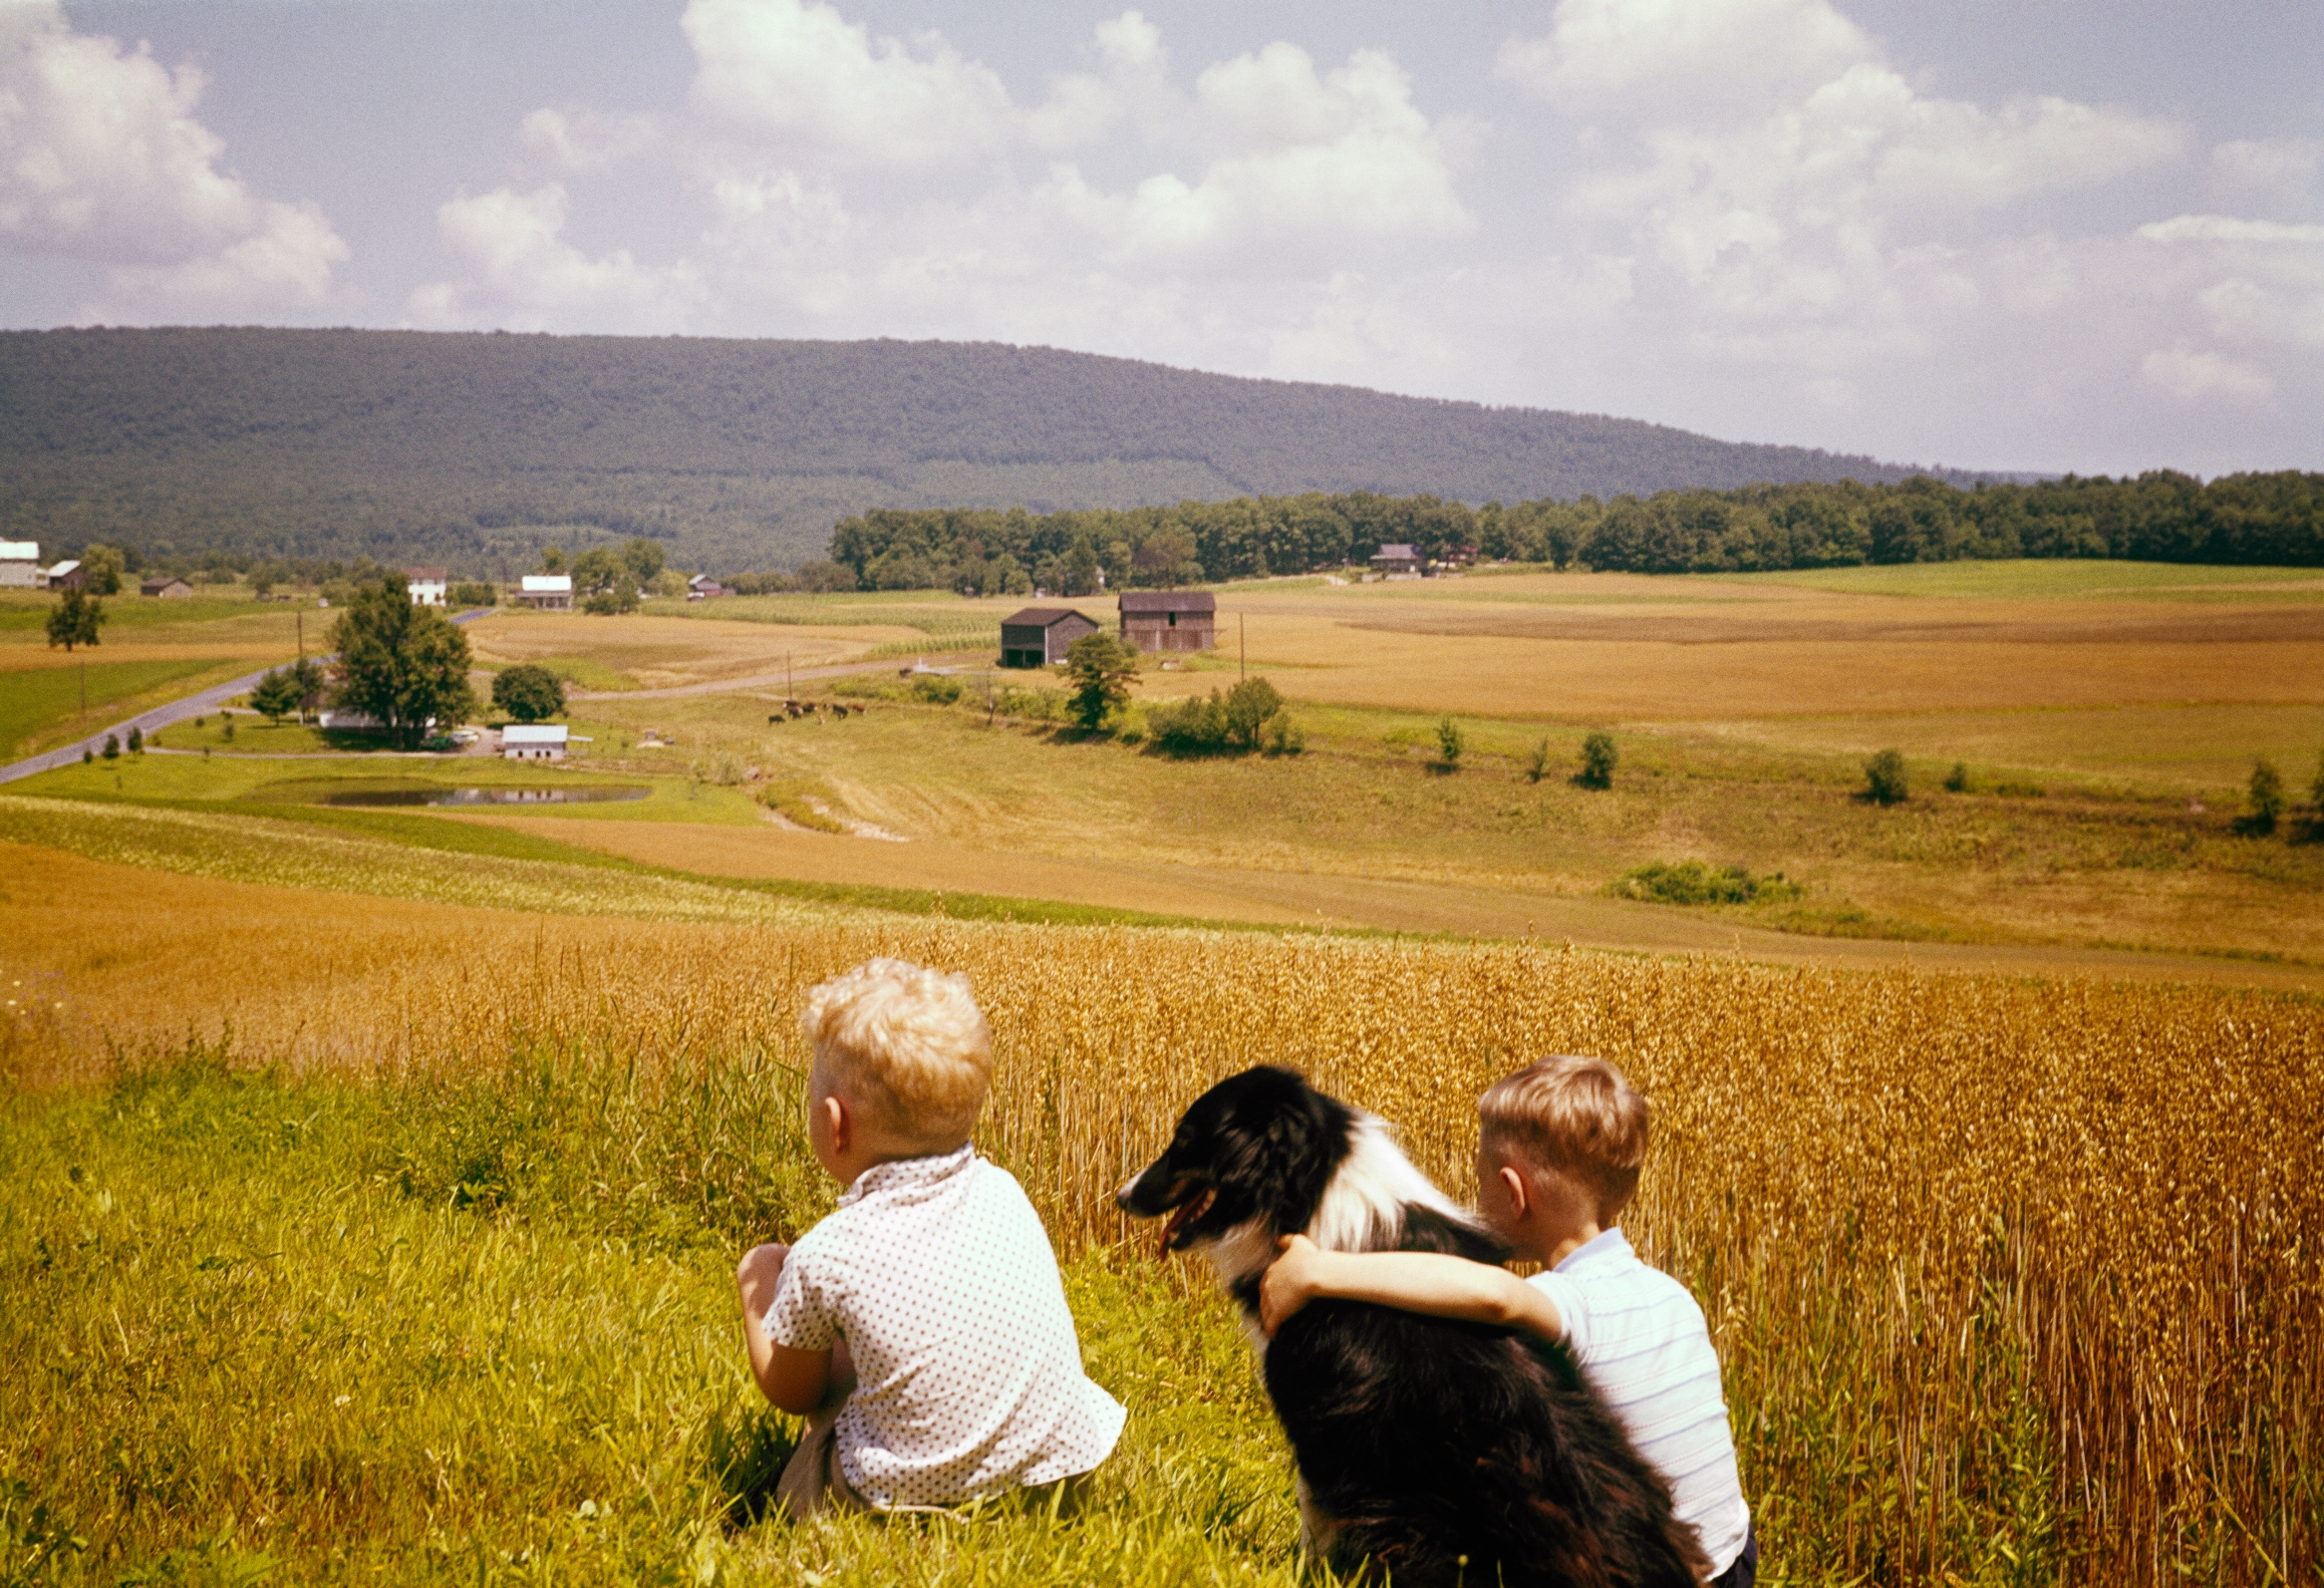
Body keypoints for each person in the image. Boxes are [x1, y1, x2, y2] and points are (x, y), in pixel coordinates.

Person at [1261, 1056, 1757, 1586]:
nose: (1474, 1203)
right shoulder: (1672, 1294)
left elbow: (1498, 1297)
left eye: (1480, 1187)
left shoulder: (1572, 1302)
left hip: (1656, 1570)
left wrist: (1320, 1271)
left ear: (1515, 1194)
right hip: (1732, 1553)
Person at [735, 957, 1125, 1517]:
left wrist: (760, 1270)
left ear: (835, 1123)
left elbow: (792, 1391)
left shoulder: (828, 1253)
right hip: (1056, 1484)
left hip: (909, 1504)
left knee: (811, 1449)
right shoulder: (1004, 1191)